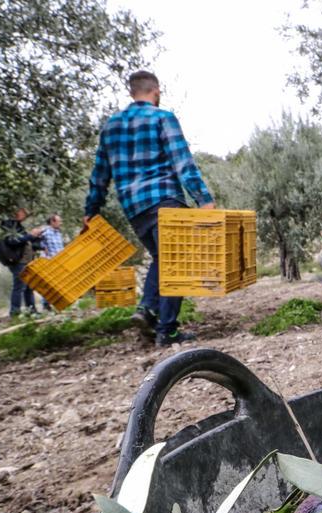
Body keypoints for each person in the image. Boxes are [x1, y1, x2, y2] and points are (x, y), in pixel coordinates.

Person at [83, 70, 214, 346]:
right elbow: (182, 162)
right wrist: (203, 199)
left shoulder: (111, 126)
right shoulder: (162, 118)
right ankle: (166, 330)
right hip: (164, 198)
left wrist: (91, 209)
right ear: (155, 91)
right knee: (177, 263)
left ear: (132, 92)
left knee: (162, 258)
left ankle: (147, 311)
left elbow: (99, 173)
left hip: (134, 207)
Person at [0, 207, 44, 318]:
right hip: (18, 261)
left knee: (28, 287)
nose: (25, 215)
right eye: (23, 212)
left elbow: (28, 242)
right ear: (16, 212)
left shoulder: (19, 227)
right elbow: (13, 241)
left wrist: (36, 237)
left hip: (27, 261)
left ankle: (31, 311)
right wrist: (30, 235)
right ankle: (15, 312)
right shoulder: (9, 226)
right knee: (19, 287)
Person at [38, 214, 66, 311]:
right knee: (49, 284)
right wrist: (43, 251)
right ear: (52, 222)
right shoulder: (45, 231)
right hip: (49, 261)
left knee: (58, 283)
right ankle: (45, 304)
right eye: (59, 221)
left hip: (59, 261)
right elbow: (38, 242)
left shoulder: (58, 233)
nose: (61, 223)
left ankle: (56, 304)